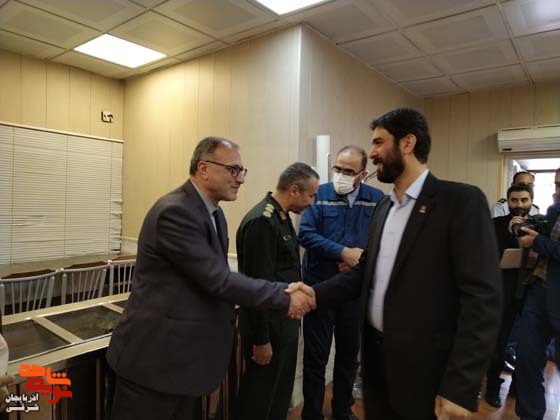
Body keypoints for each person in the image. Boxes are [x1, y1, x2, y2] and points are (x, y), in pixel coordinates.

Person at [288, 108, 502, 420]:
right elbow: (365, 272)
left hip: (424, 372)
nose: (373, 152)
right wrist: (315, 293)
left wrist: (460, 386)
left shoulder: (459, 202)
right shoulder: (384, 208)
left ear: (407, 143)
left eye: (378, 142)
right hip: (376, 367)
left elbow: (483, 299)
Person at [106, 137, 315, 420]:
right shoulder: (175, 211)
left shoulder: (214, 214)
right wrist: (284, 296)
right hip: (154, 363)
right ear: (203, 169)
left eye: (242, 171)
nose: (241, 179)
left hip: (181, 364)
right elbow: (218, 279)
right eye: (233, 170)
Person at [298, 146, 383, 420]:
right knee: (316, 357)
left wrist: (361, 258)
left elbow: (382, 239)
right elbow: (306, 233)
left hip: (354, 292)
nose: (341, 175)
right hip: (320, 289)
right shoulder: (319, 194)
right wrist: (343, 252)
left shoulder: (376, 199)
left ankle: (342, 410)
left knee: (348, 356)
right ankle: (312, 413)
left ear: (362, 174)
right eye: (337, 169)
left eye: (348, 171)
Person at [234, 162, 319, 420]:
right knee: (259, 401)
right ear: (294, 190)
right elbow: (257, 287)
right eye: (311, 195)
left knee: (278, 398)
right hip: (269, 331)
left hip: (284, 327)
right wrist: (261, 340)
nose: (312, 202)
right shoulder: (263, 221)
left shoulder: (280, 217)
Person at [515, 167, 560, 420]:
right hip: (538, 290)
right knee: (526, 359)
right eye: (557, 184)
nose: (558, 190)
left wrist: (538, 242)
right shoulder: (553, 211)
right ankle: (529, 415)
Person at [485, 184, 535, 408]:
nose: (519, 205)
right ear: (508, 202)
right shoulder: (496, 224)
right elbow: (487, 254)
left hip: (531, 292)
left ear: (531, 202)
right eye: (514, 200)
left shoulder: (539, 224)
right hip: (503, 292)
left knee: (528, 344)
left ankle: (517, 386)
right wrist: (508, 232)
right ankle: (492, 387)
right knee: (498, 342)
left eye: (524, 200)